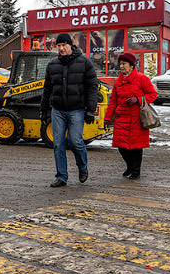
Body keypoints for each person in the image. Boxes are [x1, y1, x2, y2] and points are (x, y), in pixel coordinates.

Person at [39, 32, 99, 187]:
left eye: (64, 45)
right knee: (58, 143)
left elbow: (92, 87)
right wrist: (44, 110)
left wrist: (90, 109)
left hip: (77, 109)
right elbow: (47, 89)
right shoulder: (52, 64)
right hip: (57, 109)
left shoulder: (84, 62)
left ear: (71, 44)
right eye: (58, 46)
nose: (61, 48)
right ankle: (61, 176)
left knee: (75, 141)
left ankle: (82, 166)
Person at [103, 52, 158, 179]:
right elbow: (113, 102)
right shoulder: (118, 82)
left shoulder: (142, 78)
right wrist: (107, 118)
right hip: (121, 118)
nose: (121, 66)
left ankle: (136, 171)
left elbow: (152, 94)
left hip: (137, 118)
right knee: (121, 147)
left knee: (136, 147)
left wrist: (138, 99)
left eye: (124, 64)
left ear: (132, 65)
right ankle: (130, 166)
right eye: (120, 64)